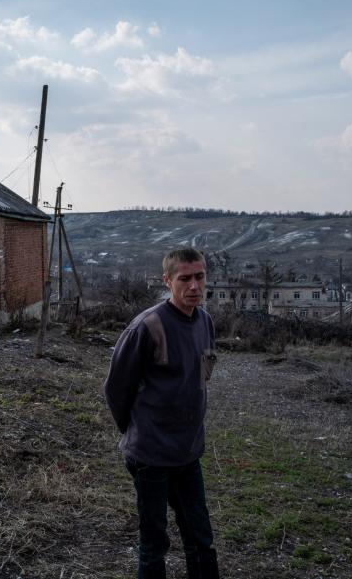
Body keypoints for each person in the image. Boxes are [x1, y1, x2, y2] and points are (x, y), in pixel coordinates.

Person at [104, 247, 220, 579]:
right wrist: (137, 432)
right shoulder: (147, 326)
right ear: (167, 280)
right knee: (154, 543)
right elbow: (116, 387)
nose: (194, 286)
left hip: (188, 452)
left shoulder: (205, 322)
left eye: (200, 277)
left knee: (200, 538)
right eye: (185, 278)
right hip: (151, 456)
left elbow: (201, 374)